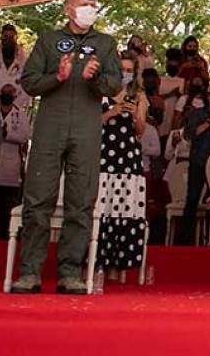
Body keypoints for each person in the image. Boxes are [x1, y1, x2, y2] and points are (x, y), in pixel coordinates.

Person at [11, 0, 121, 295]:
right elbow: (29, 83)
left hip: (86, 128)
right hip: (50, 127)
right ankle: (30, 271)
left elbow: (114, 85)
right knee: (38, 199)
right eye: (85, 5)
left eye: (94, 6)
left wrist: (95, 78)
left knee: (81, 201)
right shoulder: (48, 41)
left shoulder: (105, 44)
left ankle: (70, 272)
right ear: (68, 9)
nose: (91, 11)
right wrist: (57, 77)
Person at [95, 53, 148, 281]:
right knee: (102, 206)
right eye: (122, 69)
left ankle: (119, 265)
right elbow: (93, 122)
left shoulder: (138, 95)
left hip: (128, 155)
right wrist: (113, 112)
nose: (125, 73)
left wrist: (134, 113)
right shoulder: (101, 93)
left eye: (129, 70)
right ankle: (96, 261)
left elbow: (141, 130)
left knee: (124, 207)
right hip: (105, 153)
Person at [178, 81, 210, 245]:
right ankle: (186, 239)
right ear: (208, 96)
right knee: (192, 198)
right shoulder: (198, 114)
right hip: (199, 160)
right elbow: (192, 133)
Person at [0, 84, 31, 238]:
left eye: (10, 92)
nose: (7, 94)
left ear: (15, 96)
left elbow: (25, 136)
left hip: (10, 164)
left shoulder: (20, 114)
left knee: (6, 204)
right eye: (4, 92)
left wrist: (6, 134)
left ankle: (5, 234)